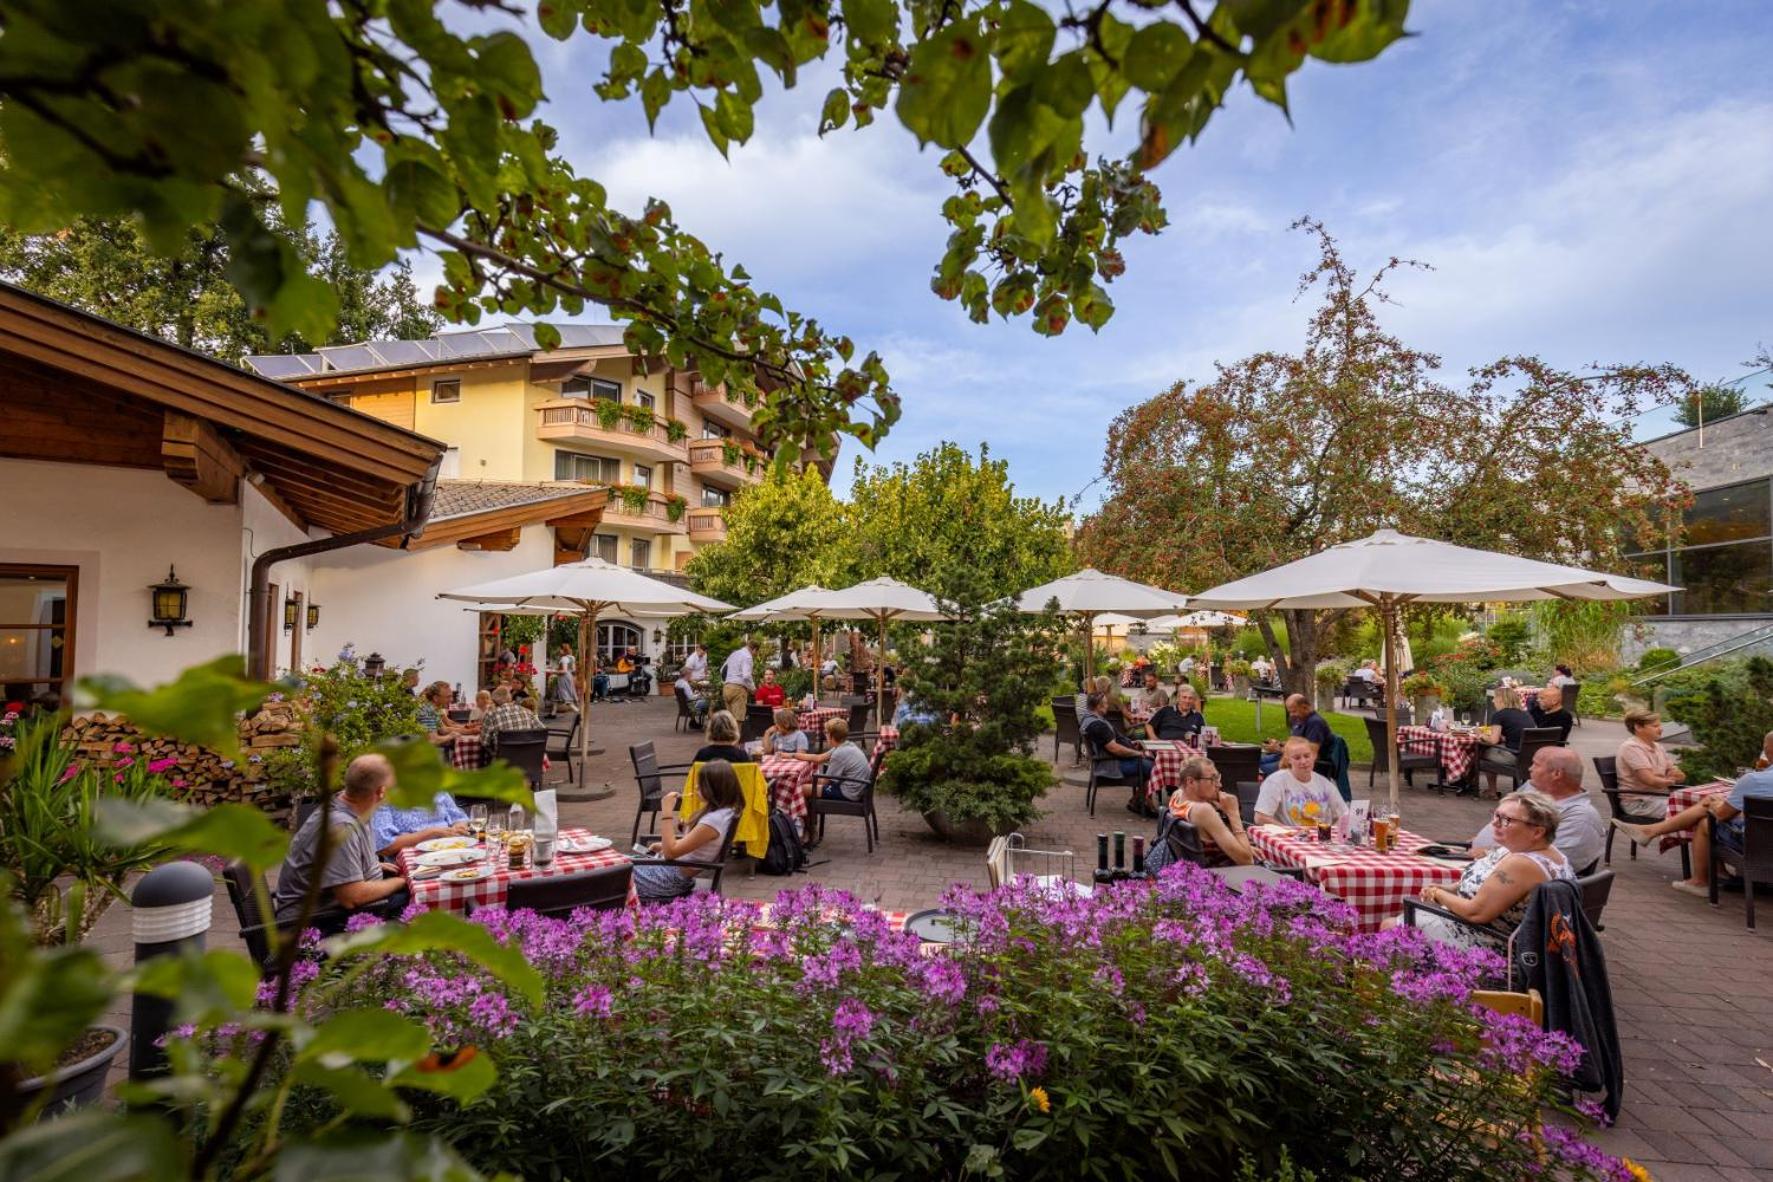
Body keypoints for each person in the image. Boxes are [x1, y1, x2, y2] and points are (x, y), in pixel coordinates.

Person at [1402, 789, 1576, 950]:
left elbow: (1475, 913)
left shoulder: (1523, 864)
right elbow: (1487, 884)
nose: (1495, 823)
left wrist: (1437, 894)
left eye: (1506, 820)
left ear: (1537, 832)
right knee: (1404, 917)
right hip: (1492, 932)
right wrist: (1450, 889)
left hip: (1494, 945)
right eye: (1495, 815)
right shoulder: (1541, 852)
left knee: (1391, 926)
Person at [1610, 730, 1773, 897]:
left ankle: (1699, 881)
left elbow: (1723, 815)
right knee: (1724, 811)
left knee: (1705, 821)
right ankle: (1717, 870)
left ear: (1767, 750)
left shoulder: (1754, 780)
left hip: (1758, 845)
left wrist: (1716, 804)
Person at [271, 754, 410, 927]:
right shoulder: (340, 827)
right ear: (380, 792)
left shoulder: (350, 805)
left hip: (336, 909)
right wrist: (401, 881)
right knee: (419, 906)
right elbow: (353, 897)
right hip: (315, 927)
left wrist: (369, 866)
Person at [1467, 746, 1605, 875]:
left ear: (1556, 774)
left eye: (1536, 764)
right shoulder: (1533, 790)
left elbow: (1549, 865)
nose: (1530, 769)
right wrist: (1483, 838)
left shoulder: (1580, 817)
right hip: (1480, 862)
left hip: (1507, 881)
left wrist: (1490, 852)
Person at [634, 759, 742, 902]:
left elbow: (670, 853)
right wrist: (664, 845)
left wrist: (666, 812)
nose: (696, 787)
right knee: (616, 864)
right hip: (671, 873)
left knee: (609, 872)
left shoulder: (712, 821)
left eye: (701, 784)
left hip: (668, 879)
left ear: (714, 789)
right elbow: (691, 848)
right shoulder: (725, 811)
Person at [1163, 756, 1255, 867]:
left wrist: (1241, 847)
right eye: (1212, 779)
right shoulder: (1203, 811)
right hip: (1223, 874)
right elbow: (1247, 861)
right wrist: (1234, 813)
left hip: (1191, 870)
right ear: (1191, 782)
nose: (1219, 785)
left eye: (1218, 778)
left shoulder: (1176, 796)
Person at [1080, 690, 1153, 815]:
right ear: (1098, 706)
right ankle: (1142, 803)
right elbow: (1115, 749)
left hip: (1113, 760)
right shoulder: (1098, 725)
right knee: (1153, 767)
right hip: (1111, 765)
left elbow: (1114, 744)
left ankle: (1138, 800)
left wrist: (1131, 744)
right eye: (1106, 704)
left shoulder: (1088, 718)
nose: (1108, 706)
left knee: (1150, 762)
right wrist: (1137, 753)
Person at [1254, 737, 1348, 828]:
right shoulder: (1275, 781)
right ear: (1289, 760)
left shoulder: (1324, 783)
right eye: (1297, 758)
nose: (1303, 761)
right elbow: (1260, 817)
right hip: (1289, 838)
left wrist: (1330, 832)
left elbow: (1345, 815)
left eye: (1307, 756)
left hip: (1321, 839)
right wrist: (1288, 832)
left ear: (1314, 756)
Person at [1614, 708, 1685, 820]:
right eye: (1655, 726)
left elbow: (1679, 775)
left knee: (1703, 806)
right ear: (1638, 727)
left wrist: (1676, 774)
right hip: (1639, 803)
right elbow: (1651, 781)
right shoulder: (1631, 747)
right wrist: (1671, 780)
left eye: (1660, 725)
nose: (1661, 729)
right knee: (1694, 811)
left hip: (1659, 798)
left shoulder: (1658, 747)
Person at [794, 718, 872, 805]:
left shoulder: (839, 753)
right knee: (809, 783)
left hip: (849, 793)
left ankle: (803, 818)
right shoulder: (847, 744)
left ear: (832, 735)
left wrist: (808, 778)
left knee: (802, 788)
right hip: (857, 788)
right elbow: (819, 758)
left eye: (826, 733)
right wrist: (791, 755)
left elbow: (825, 782)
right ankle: (807, 816)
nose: (825, 735)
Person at [371, 790, 470, 858]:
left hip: (450, 849)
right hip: (412, 860)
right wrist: (431, 833)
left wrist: (459, 827)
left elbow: (459, 817)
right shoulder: (384, 795)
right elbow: (384, 846)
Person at [1478, 686, 1536, 796]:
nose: (1493, 700)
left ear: (1501, 699)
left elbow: (1493, 741)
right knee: (1488, 750)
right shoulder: (1525, 714)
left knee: (1480, 752)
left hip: (1514, 757)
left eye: (1495, 697)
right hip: (1529, 757)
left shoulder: (1499, 715)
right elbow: (1516, 733)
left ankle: (1491, 790)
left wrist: (1480, 734)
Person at [1260, 694, 1333, 775]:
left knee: (1259, 767)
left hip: (1302, 765)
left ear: (1305, 707)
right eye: (1290, 712)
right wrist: (1279, 743)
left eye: (1294, 711)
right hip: (1286, 757)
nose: (1291, 715)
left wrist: (1278, 749)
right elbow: (1295, 742)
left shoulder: (1315, 723)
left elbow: (1310, 754)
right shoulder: (1300, 719)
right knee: (1253, 761)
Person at [480, 686, 542, 754]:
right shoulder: (527, 711)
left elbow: (484, 742)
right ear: (510, 698)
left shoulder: (491, 715)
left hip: (503, 761)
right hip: (529, 758)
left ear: (494, 702)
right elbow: (541, 731)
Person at [415, 681, 465, 747]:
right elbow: (432, 740)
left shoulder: (433, 708)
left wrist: (470, 731)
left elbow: (443, 730)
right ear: (435, 698)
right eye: (448, 697)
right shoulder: (428, 712)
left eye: (451, 696)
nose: (451, 700)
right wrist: (451, 736)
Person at [721, 640, 757, 720]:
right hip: (738, 690)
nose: (755, 655)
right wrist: (753, 688)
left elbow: (722, 670)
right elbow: (746, 676)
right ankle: (737, 733)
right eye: (756, 652)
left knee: (730, 721)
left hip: (727, 688)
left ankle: (729, 733)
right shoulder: (748, 656)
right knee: (738, 720)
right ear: (754, 649)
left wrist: (726, 682)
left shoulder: (734, 654)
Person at [553, 643, 579, 711]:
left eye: (560, 650)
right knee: (556, 694)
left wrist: (553, 671)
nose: (559, 651)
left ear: (563, 650)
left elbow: (564, 671)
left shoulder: (563, 659)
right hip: (569, 676)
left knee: (566, 697)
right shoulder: (572, 657)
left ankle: (578, 712)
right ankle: (553, 713)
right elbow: (573, 669)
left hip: (563, 678)